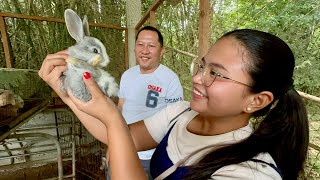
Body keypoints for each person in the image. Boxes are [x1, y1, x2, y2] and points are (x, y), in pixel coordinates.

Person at [39, 29, 309, 180]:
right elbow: (118, 135)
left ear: (257, 100)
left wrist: (112, 119)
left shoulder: (250, 173)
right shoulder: (181, 113)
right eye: (202, 65)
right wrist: (66, 92)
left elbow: (114, 128)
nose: (196, 78)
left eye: (216, 73)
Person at [113, 26, 183, 178]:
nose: (144, 50)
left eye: (151, 45)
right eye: (140, 44)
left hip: (152, 157)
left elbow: (176, 122)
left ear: (161, 51)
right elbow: (120, 108)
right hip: (122, 149)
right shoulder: (127, 75)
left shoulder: (170, 79)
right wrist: (112, 144)